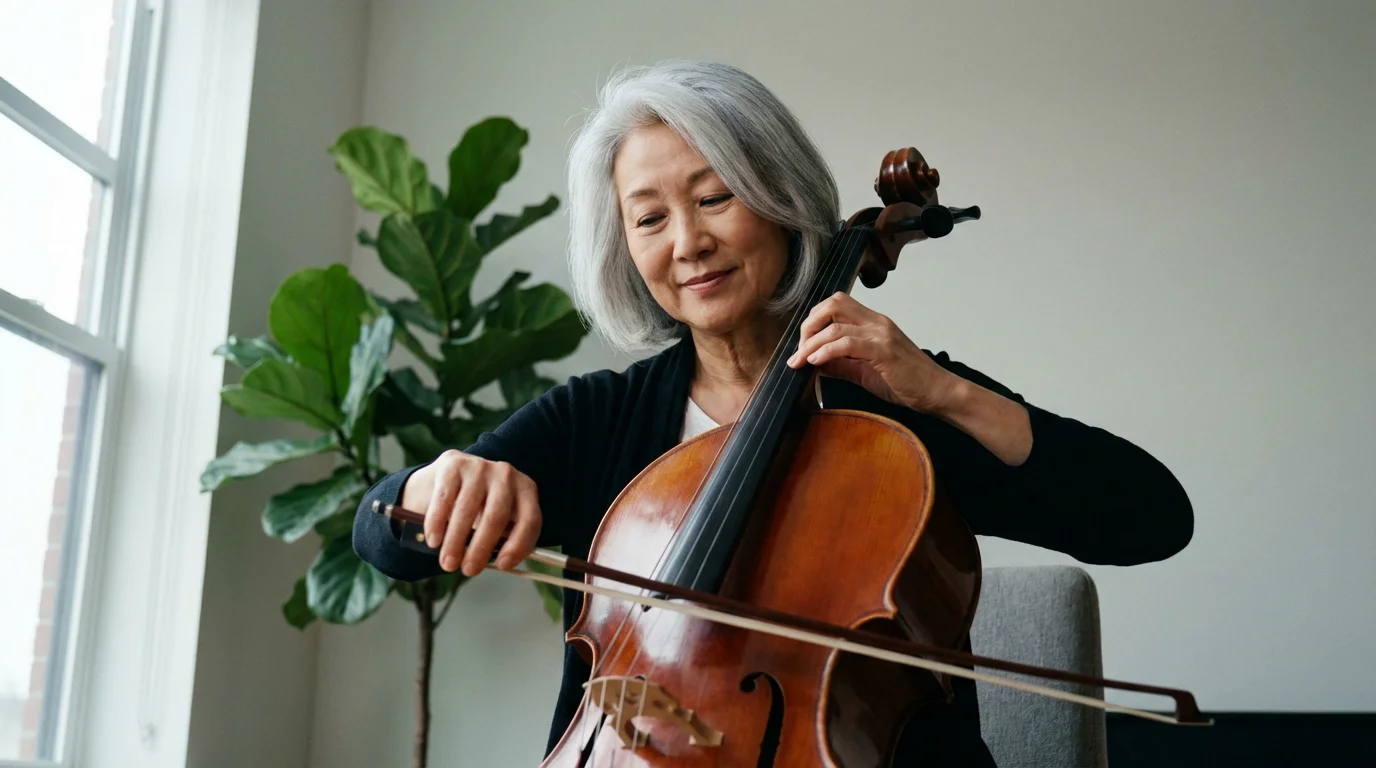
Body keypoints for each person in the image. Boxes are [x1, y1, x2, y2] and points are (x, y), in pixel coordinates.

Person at [353, 59, 1194, 766]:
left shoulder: (894, 411)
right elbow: (382, 537)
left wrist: (943, 392)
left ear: (780, 199)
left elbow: (1150, 518)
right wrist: (440, 484)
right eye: (649, 218)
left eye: (715, 197)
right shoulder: (600, 419)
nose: (686, 242)